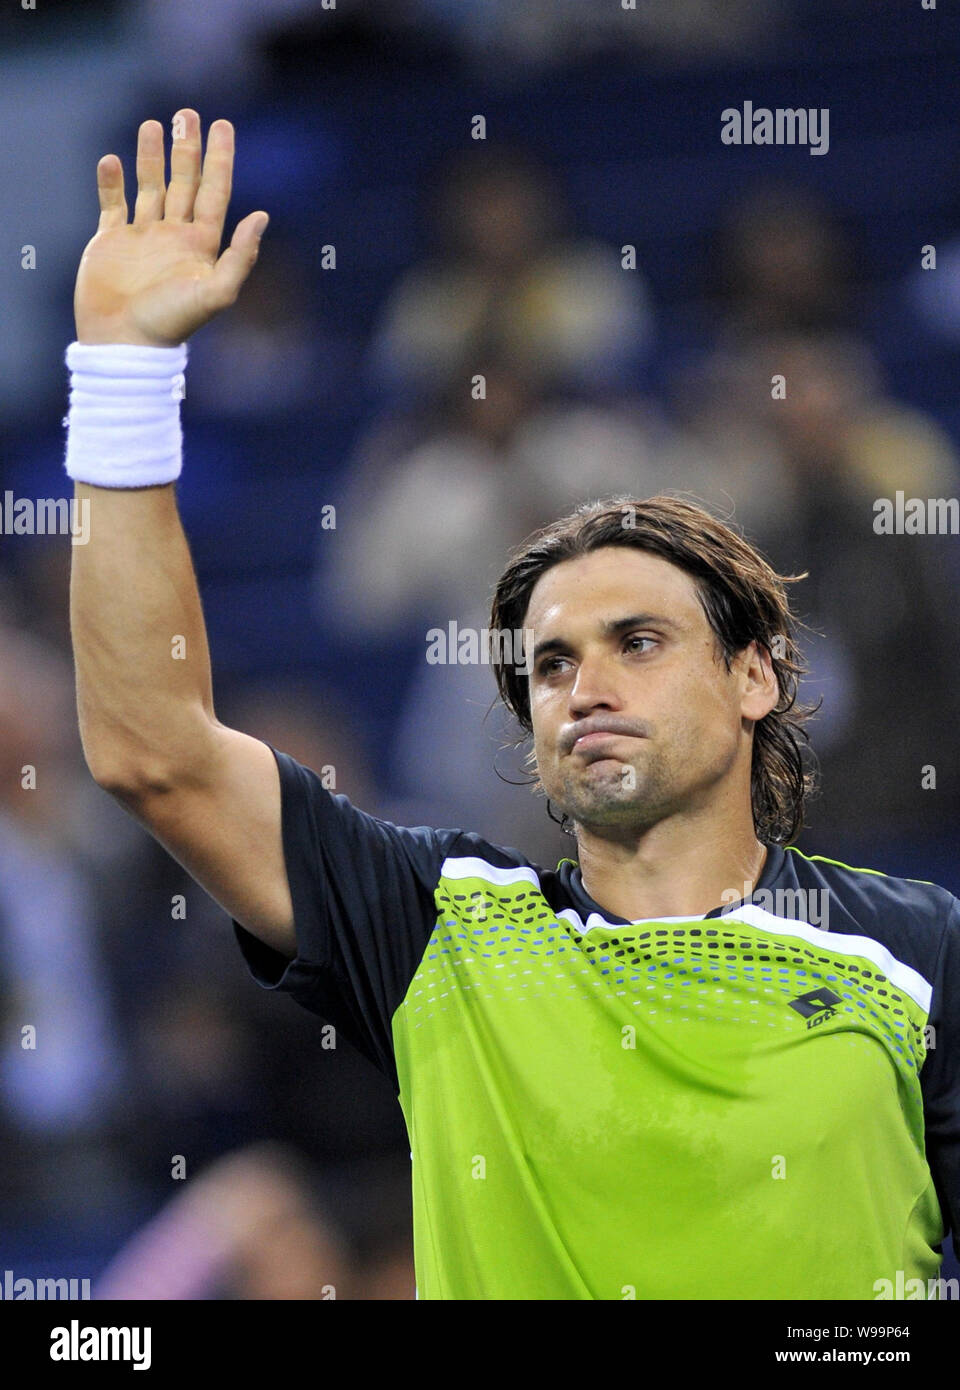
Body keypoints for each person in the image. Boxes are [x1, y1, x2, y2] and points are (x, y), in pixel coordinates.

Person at [66, 110, 959, 1300]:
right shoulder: (440, 926)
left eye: (638, 642)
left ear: (756, 677)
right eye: (548, 663)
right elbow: (151, 751)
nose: (585, 684)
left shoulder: (916, 950)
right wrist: (124, 368)